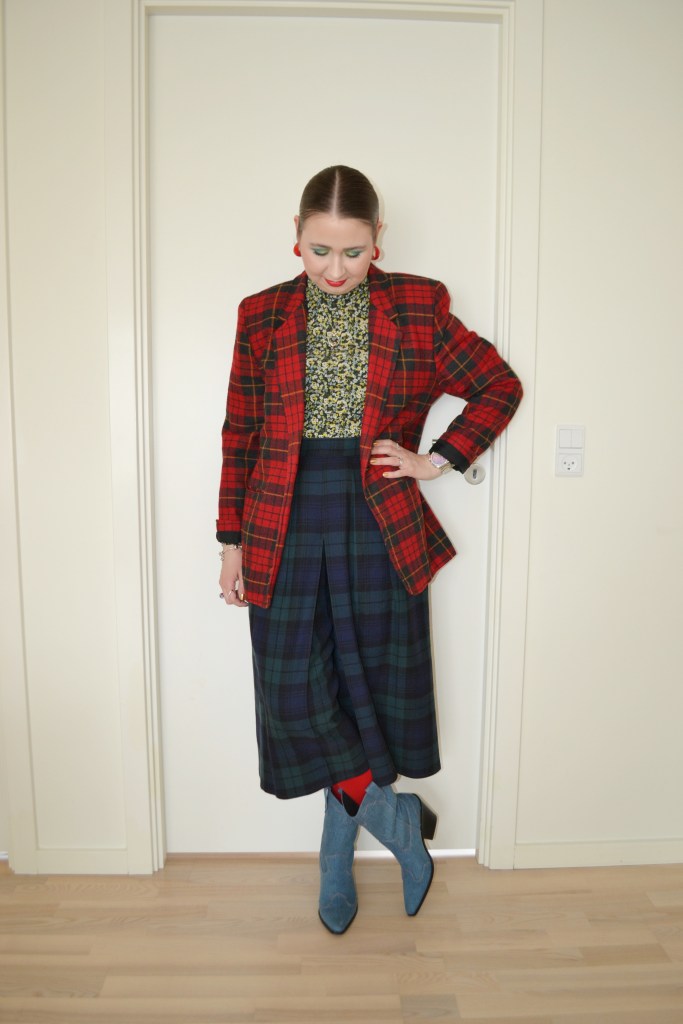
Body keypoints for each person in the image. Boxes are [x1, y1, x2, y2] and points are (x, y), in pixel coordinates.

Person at [217, 165, 522, 934]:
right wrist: (229, 542)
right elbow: (240, 432)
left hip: (376, 522)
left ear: (377, 240)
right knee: (295, 696)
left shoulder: (418, 305)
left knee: (362, 697)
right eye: (319, 250)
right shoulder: (260, 315)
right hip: (278, 523)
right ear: (295, 237)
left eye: (352, 252)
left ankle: (335, 855)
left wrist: (435, 459)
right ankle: (393, 819)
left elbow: (497, 385)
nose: (334, 270)